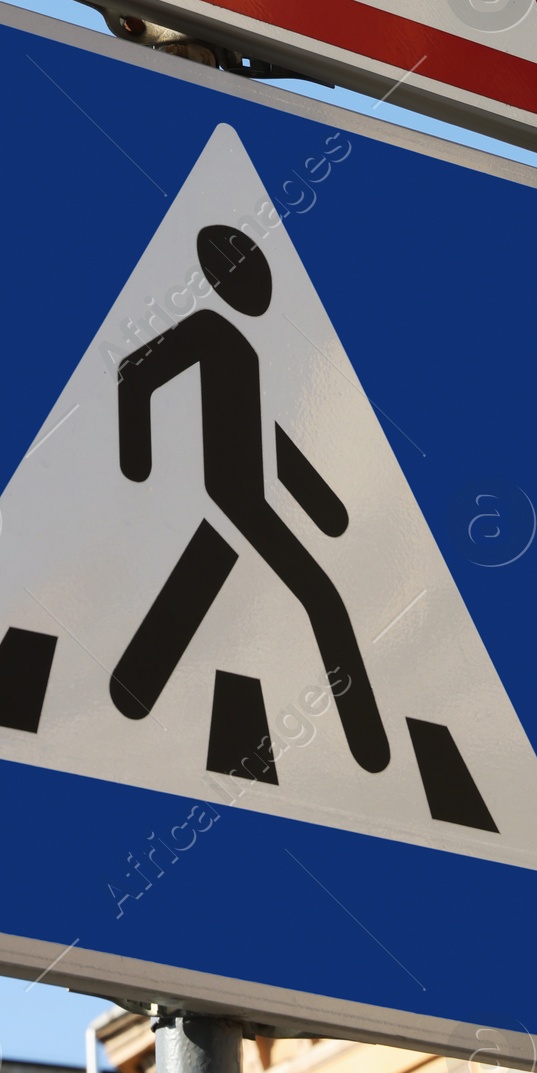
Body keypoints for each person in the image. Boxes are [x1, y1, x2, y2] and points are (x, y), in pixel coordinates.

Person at [111, 223, 390, 775]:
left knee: (203, 578)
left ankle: (132, 685)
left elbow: (268, 437)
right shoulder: (209, 329)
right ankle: (370, 747)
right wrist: (135, 461)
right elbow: (134, 374)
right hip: (232, 493)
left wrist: (325, 508)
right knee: (322, 597)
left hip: (243, 495)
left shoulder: (244, 348)